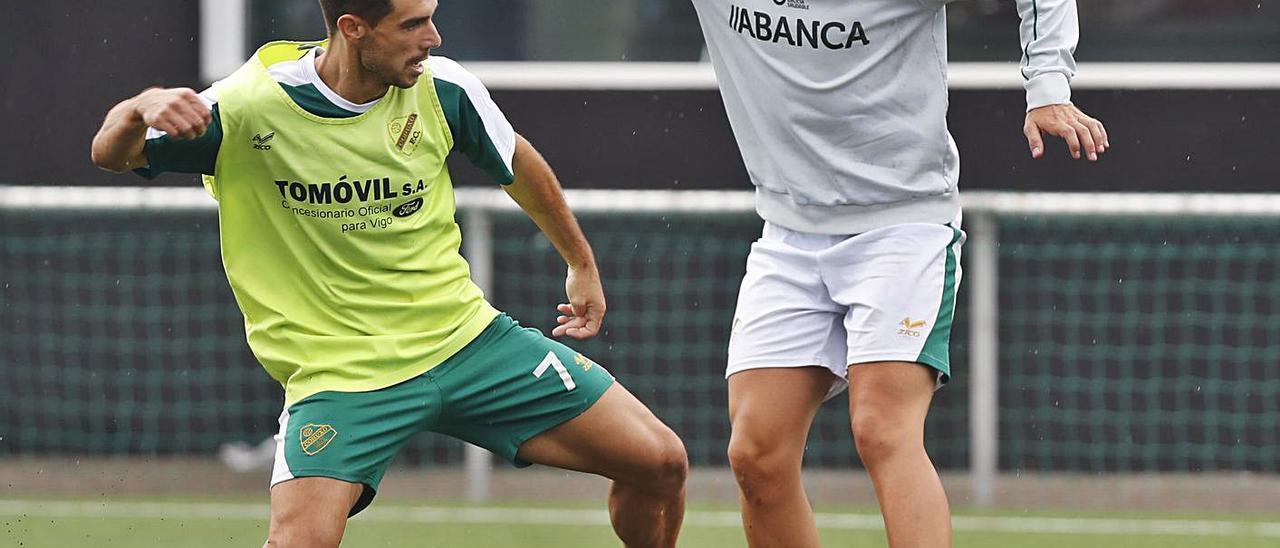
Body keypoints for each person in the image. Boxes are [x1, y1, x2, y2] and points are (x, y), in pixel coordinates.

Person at [90, 1, 688, 546]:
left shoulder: (445, 88)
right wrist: (139, 107)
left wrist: (581, 263)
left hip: (469, 346)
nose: (434, 36)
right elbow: (111, 153)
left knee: (662, 462)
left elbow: (516, 160)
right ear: (352, 29)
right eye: (412, 24)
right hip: (341, 373)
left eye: (431, 16)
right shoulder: (245, 107)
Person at [689, 1, 1107, 546]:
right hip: (788, 231)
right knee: (755, 454)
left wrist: (1048, 84)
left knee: (882, 429)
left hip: (904, 225)